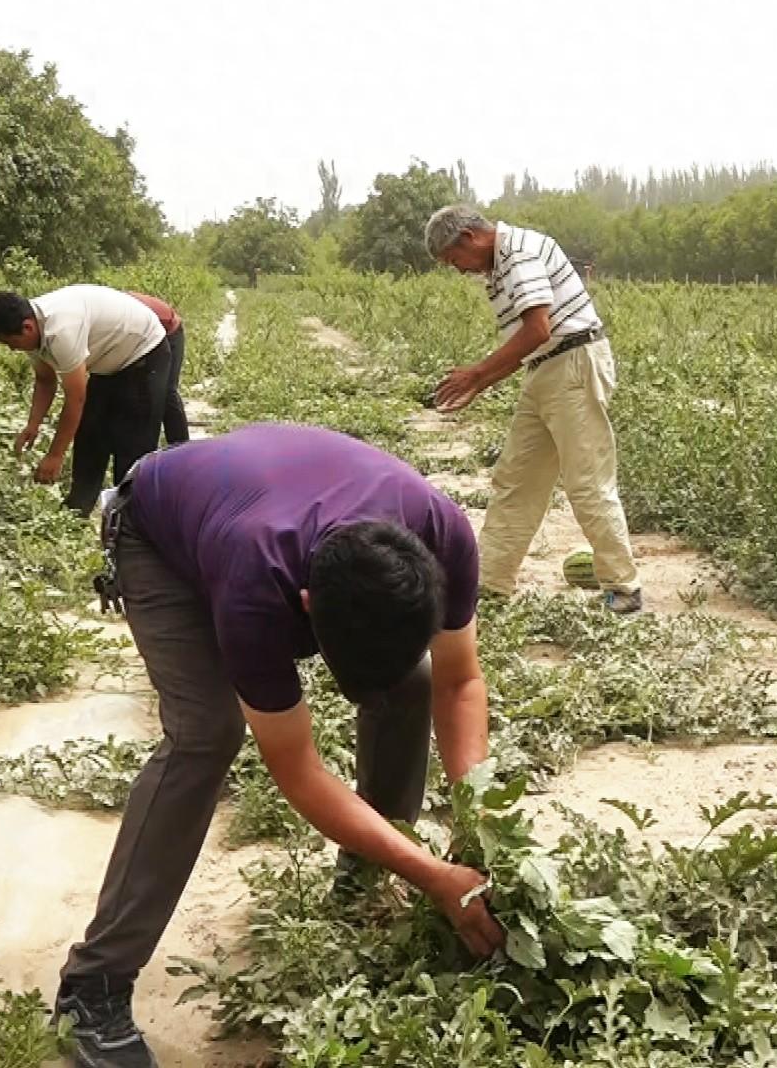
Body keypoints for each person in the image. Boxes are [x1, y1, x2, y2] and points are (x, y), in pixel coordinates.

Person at [54, 423, 504, 1068]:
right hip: (158, 531)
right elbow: (297, 769)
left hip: (271, 501)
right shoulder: (254, 585)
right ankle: (93, 985)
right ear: (306, 607)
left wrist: (478, 816)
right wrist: (434, 874)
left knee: (413, 682)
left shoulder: (443, 535)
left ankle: (365, 874)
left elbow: (461, 682)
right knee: (205, 737)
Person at [423, 205, 643, 613]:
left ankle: (623, 588)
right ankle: (490, 582)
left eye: (455, 260)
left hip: (572, 364)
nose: (459, 270)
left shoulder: (518, 253)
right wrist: (481, 381)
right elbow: (534, 340)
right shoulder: (502, 264)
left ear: (469, 238)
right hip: (546, 368)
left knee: (587, 481)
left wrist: (476, 375)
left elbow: (538, 328)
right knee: (517, 478)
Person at [0, 284, 174, 516]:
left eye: (10, 342)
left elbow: (75, 399)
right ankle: (77, 510)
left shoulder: (61, 330)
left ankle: (129, 517)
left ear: (27, 327)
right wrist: (33, 426)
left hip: (144, 353)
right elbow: (45, 381)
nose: (11, 349)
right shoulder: (31, 326)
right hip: (108, 361)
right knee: (90, 433)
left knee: (132, 442)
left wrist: (55, 455)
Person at [124, 291, 190, 446]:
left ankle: (181, 447)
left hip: (169, 331)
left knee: (165, 391)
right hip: (144, 333)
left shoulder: (132, 315)